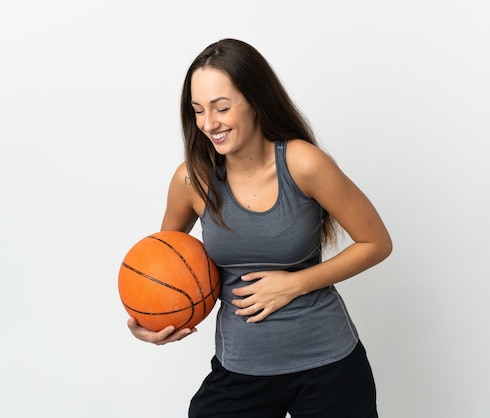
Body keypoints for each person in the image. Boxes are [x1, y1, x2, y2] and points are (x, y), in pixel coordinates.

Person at [127, 38, 392, 418]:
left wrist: (295, 283)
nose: (208, 123)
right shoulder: (192, 181)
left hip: (328, 365)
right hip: (240, 369)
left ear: (254, 99)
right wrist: (150, 321)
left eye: (221, 107)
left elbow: (376, 242)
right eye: (198, 110)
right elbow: (162, 267)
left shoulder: (304, 164)